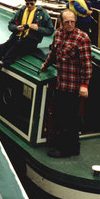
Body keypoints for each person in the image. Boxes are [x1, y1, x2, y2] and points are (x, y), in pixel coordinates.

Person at [40, 9, 92, 158]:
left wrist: (84, 85)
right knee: (60, 115)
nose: (70, 24)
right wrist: (46, 65)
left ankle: (67, 150)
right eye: (67, 22)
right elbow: (53, 53)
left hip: (73, 86)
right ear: (61, 22)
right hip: (61, 83)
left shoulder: (82, 38)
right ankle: (68, 146)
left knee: (70, 119)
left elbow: (87, 65)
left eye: (72, 22)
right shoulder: (58, 34)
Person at [0, 0, 54, 77]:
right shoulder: (21, 10)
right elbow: (10, 25)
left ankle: (1, 63)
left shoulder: (43, 13)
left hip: (30, 42)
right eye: (27, 4)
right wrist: (16, 28)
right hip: (17, 38)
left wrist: (38, 28)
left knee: (17, 45)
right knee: (1, 47)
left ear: (35, 2)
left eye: (31, 4)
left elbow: (50, 30)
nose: (29, 6)